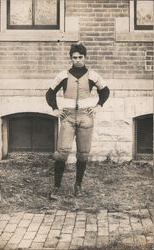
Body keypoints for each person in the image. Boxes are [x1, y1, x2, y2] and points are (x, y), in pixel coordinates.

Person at [46, 42, 110, 198]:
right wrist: (55, 109)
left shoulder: (93, 75)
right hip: (68, 117)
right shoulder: (63, 75)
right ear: (71, 58)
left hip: (85, 118)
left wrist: (98, 106)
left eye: (80, 57)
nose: (77, 60)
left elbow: (105, 91)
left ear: (85, 57)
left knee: (83, 154)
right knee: (62, 153)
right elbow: (50, 93)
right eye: (74, 57)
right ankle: (56, 187)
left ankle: (78, 185)